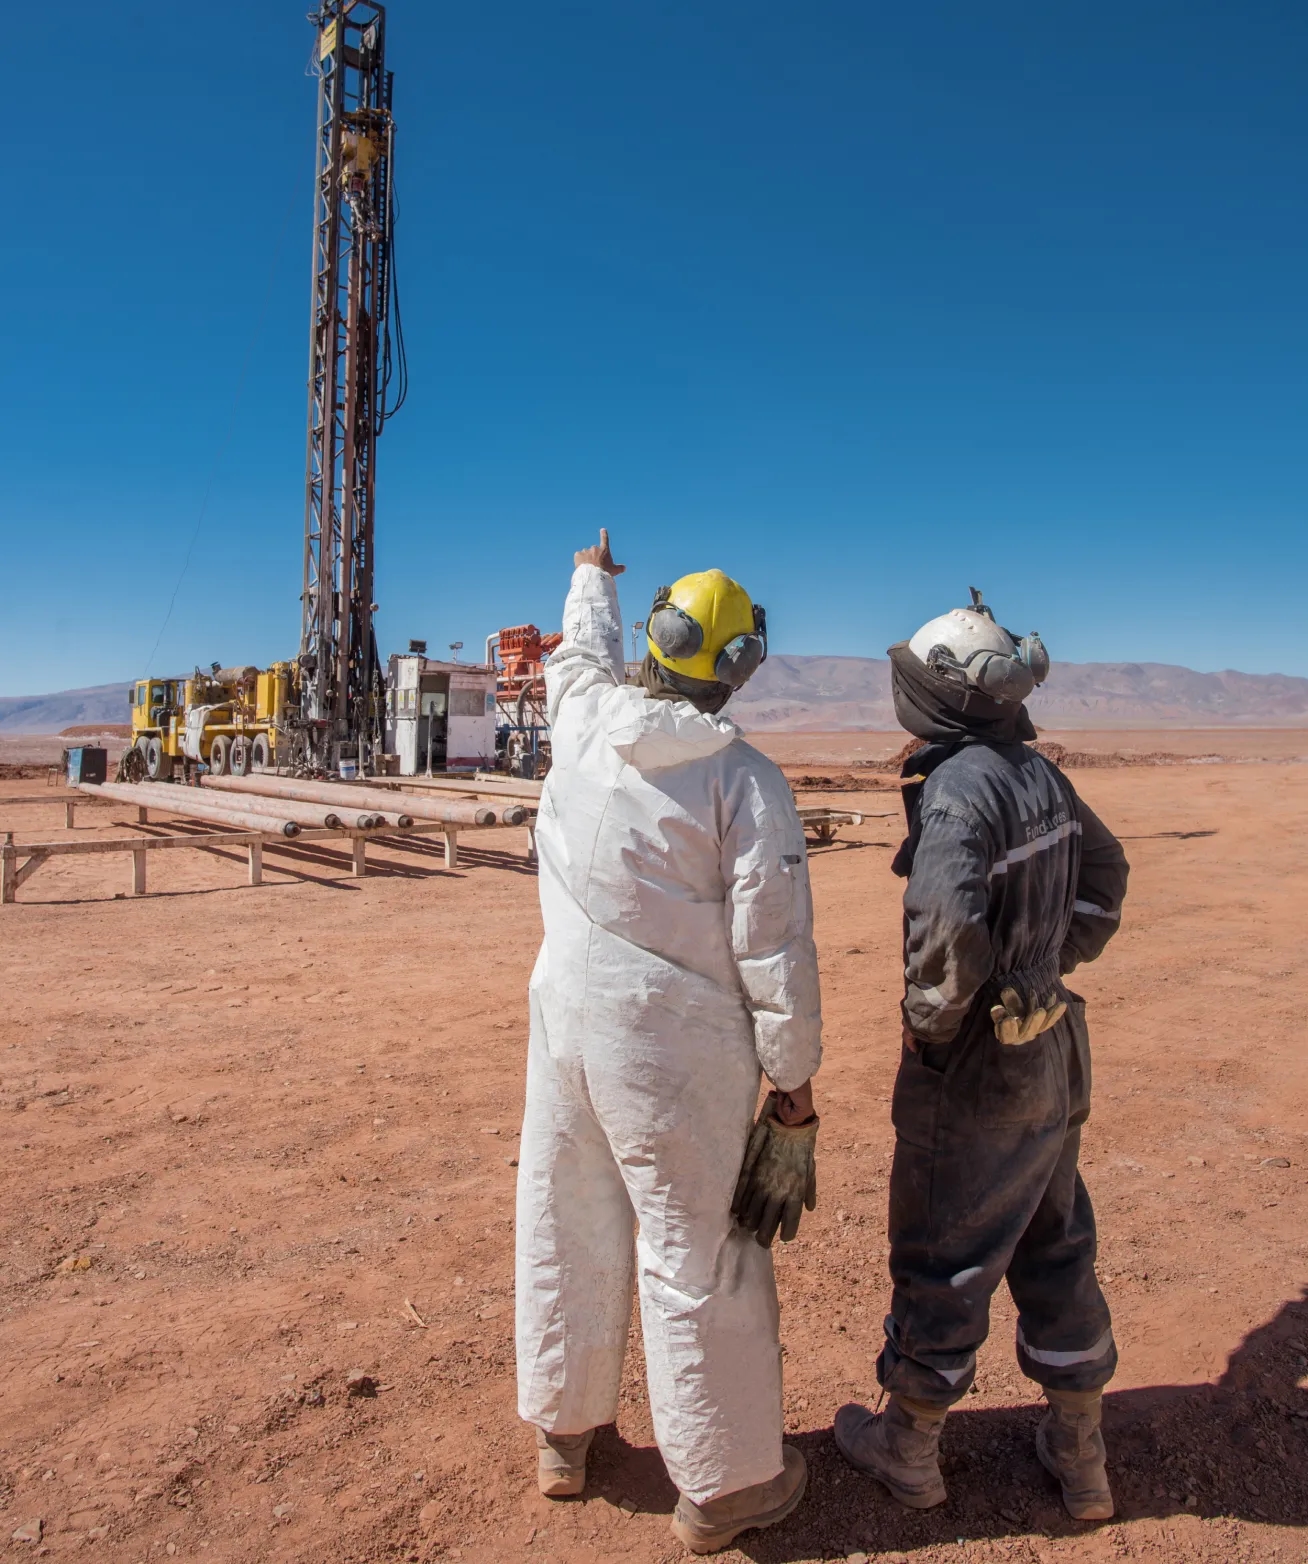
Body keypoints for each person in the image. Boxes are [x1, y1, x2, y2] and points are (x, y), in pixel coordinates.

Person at [515, 530, 823, 1556]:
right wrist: (794, 1086)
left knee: (566, 1218)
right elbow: (772, 946)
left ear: (654, 637)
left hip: (565, 1026)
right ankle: (725, 1484)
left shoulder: (586, 719)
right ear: (739, 669)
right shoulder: (744, 782)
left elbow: (574, 654)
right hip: (676, 1051)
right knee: (702, 1253)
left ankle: (566, 1436)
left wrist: (589, 576)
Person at [835, 590, 1129, 1522]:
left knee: (943, 1245)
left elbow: (949, 928)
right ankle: (1081, 1455)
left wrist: (935, 1028)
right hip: (1054, 1053)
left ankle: (911, 1447)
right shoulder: (1040, 775)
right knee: (1054, 1234)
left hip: (978, 1071)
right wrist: (1046, 970)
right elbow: (1106, 875)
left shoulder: (958, 792)